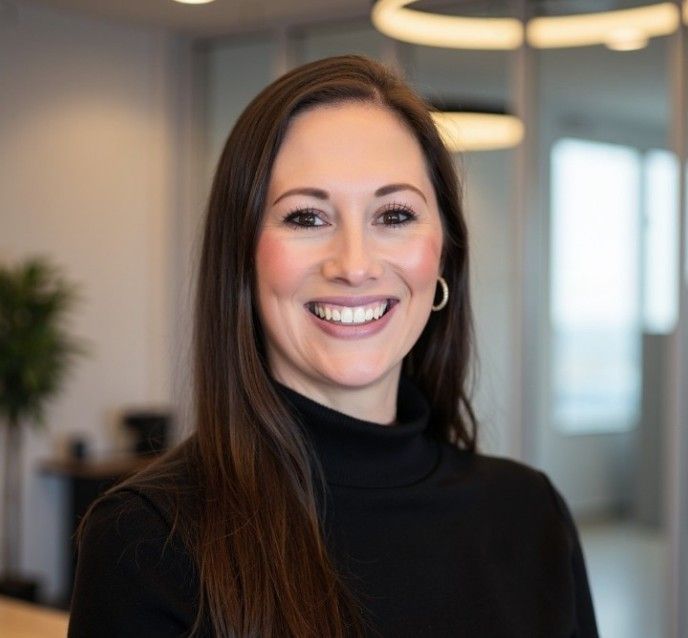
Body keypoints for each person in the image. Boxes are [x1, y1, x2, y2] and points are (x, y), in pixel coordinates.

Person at [67, 55, 599, 638]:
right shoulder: (146, 540)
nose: (354, 265)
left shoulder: (530, 513)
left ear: (443, 254)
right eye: (306, 217)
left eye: (394, 214)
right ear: (242, 259)